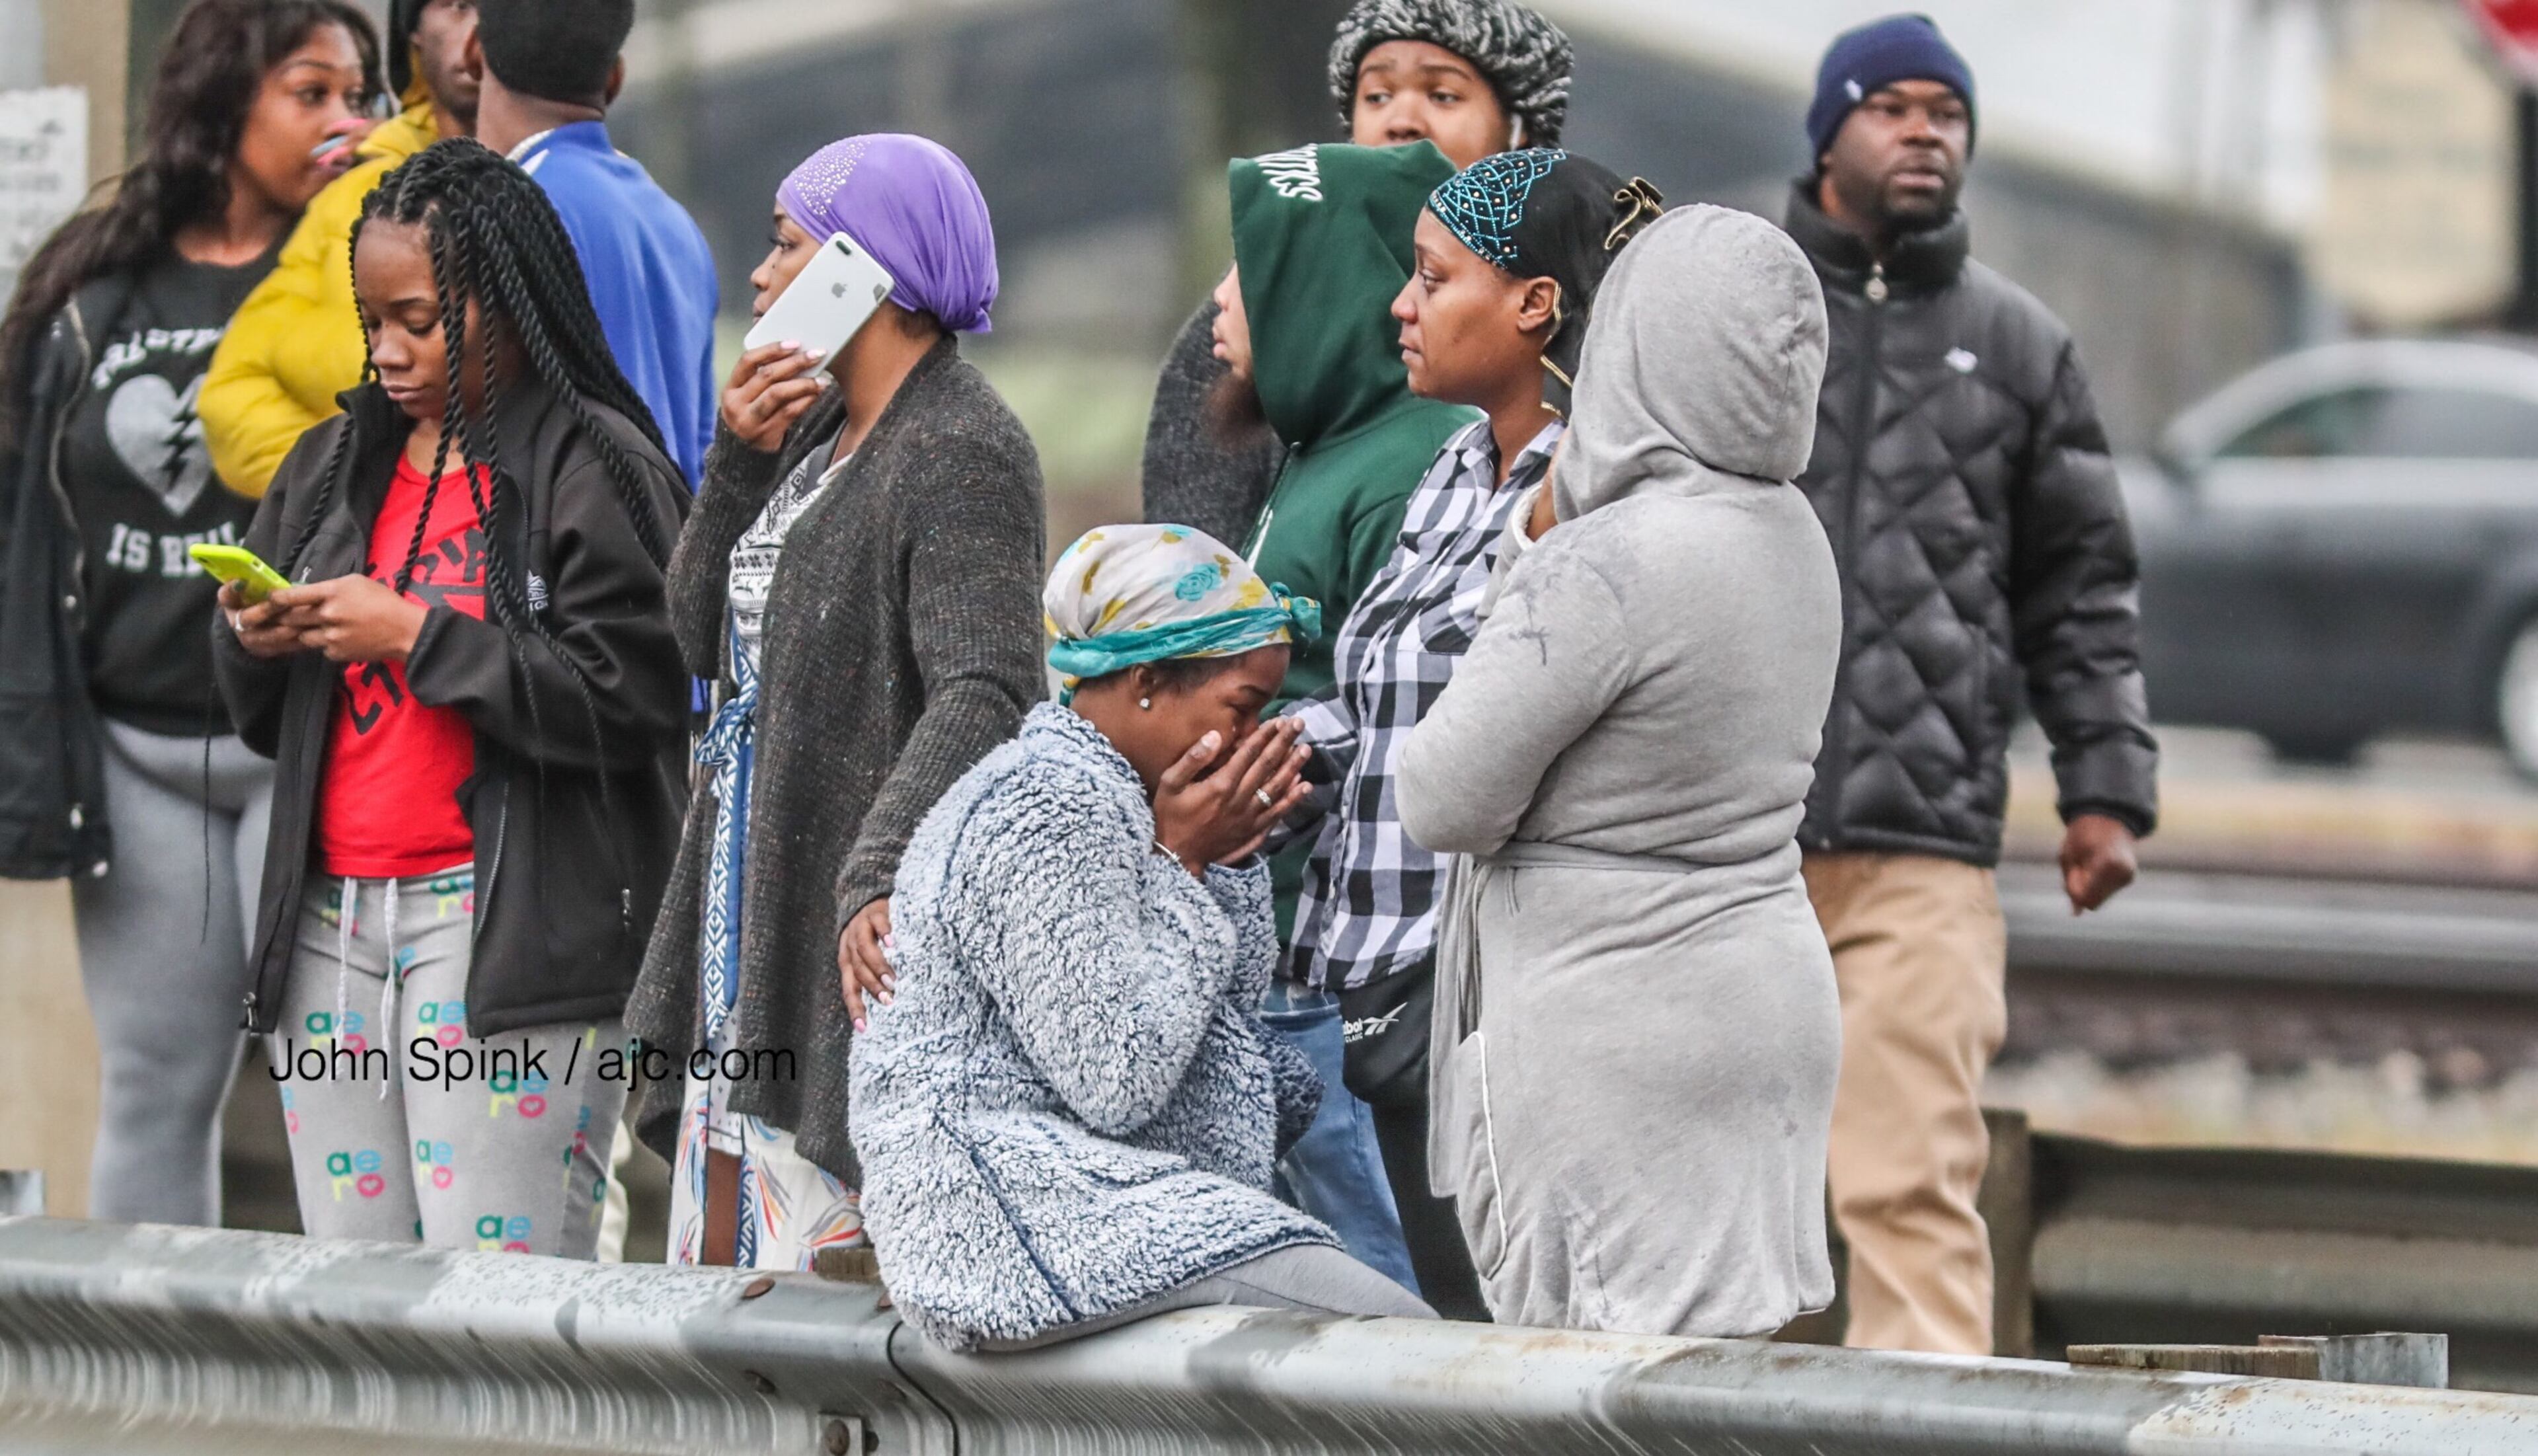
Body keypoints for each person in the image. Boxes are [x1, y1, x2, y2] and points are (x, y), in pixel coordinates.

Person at [212, 139, 689, 1257]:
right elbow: (256, 720)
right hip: (331, 932)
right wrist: (256, 638)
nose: (388, 351)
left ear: (508, 303)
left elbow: (634, 703)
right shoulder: (333, 466)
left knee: (498, 1303)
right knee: (354, 1300)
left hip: (506, 938)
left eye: (420, 320)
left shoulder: (598, 467)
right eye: (373, 320)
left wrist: (418, 635)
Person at [1396, 204, 1845, 1336]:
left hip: (1615, 1039)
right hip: (1766, 1006)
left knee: (1596, 1396)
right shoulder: (1795, 536)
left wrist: (1529, 553)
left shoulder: (1605, 565)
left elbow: (1441, 793)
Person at [1781, 15, 2159, 1355]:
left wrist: (2105, 790)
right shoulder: (1741, 310)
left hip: (1920, 854)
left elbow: (2083, 590)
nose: (1925, 130)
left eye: (1948, 112)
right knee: (1730, 1204)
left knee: (1907, 1185)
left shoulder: (2021, 345)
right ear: (1828, 133)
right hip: (1722, 845)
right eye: (1891, 107)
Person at [853, 524, 1436, 1352]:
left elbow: (1207, 1028)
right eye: (1242, 708)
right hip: (1016, 1218)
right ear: (1148, 680)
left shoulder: (1125, 804)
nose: (1252, 736)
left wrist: (1220, 861)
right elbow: (1118, 1071)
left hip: (1100, 1202)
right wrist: (1182, 861)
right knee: (1411, 1353)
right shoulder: (1042, 807)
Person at [623, 134, 1044, 1270]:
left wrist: (881, 860)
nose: (760, 277)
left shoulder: (962, 445)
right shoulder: (806, 430)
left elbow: (989, 684)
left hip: (845, 909)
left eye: (785, 245)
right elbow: (699, 628)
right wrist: (737, 463)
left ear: (868, 267)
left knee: (814, 1268)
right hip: (746, 885)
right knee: (717, 1263)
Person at [0, 0, 379, 1226]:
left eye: (356, 93)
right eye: (309, 91)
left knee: (346, 1083)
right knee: (159, 1083)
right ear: (226, 101)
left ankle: (367, 1378)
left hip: (306, 738)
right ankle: (142, 1391)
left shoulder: (369, 272)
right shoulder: (92, 284)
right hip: (134, 747)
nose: (342, 119)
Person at [1280, 148, 1661, 1321]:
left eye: (1436, 279)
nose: (1403, 304)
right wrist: (1269, 753)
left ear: (1535, 303)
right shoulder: (1454, 464)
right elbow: (1388, 696)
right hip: (1354, 970)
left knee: (1465, 1350)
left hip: (1473, 1004)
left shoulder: (1596, 492)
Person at [1140, 0, 1572, 549]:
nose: (1402, 120)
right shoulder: (1256, 311)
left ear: (1523, 136)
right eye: (1377, 96)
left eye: (1443, 95)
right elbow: (1191, 565)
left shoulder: (1582, 311)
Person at [202, 0, 481, 500]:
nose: (341, 121)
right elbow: (231, 395)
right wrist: (375, 482)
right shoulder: (358, 194)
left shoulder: (571, 192)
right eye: (458, 5)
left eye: (359, 100)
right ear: (413, 36)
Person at [466, 0, 716, 484]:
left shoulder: (505, 211)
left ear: (474, 51)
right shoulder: (675, 223)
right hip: (673, 541)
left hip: (561, 546)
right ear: (616, 78)